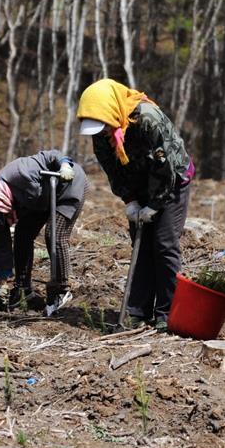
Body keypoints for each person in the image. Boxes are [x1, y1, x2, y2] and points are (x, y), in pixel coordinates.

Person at [77, 78, 194, 331]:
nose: (102, 132)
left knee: (163, 244)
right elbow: (112, 169)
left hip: (172, 182)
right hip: (139, 186)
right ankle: (136, 312)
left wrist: (154, 205)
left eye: (105, 126)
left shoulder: (147, 119)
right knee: (141, 246)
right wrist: (130, 200)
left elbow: (166, 168)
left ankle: (166, 312)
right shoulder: (102, 132)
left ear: (112, 112)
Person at [0, 151, 86, 311]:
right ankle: (23, 290)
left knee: (54, 235)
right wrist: (3, 279)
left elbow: (50, 155)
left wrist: (64, 163)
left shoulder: (19, 172)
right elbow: (0, 240)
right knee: (22, 234)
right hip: (41, 200)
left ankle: (62, 289)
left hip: (68, 187)